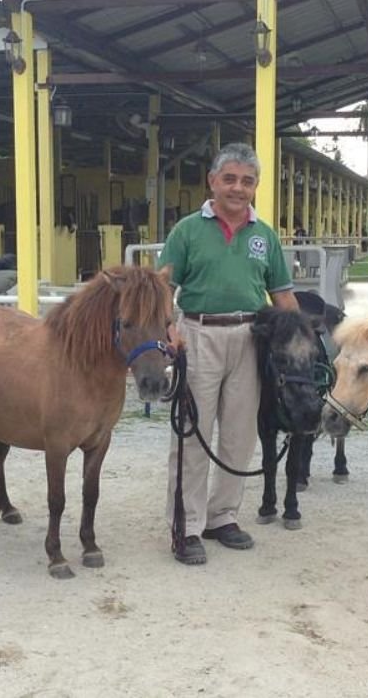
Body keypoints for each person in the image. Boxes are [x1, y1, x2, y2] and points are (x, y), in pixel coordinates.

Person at [157, 143, 299, 566]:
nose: (238, 188)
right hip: (198, 335)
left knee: (240, 435)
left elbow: (282, 294)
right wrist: (168, 328)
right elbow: (164, 287)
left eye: (247, 181)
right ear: (212, 181)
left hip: (249, 338)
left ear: (256, 187)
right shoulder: (187, 231)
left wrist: (301, 339)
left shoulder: (264, 236)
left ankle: (222, 516)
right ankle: (186, 525)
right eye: (230, 179)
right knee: (192, 434)